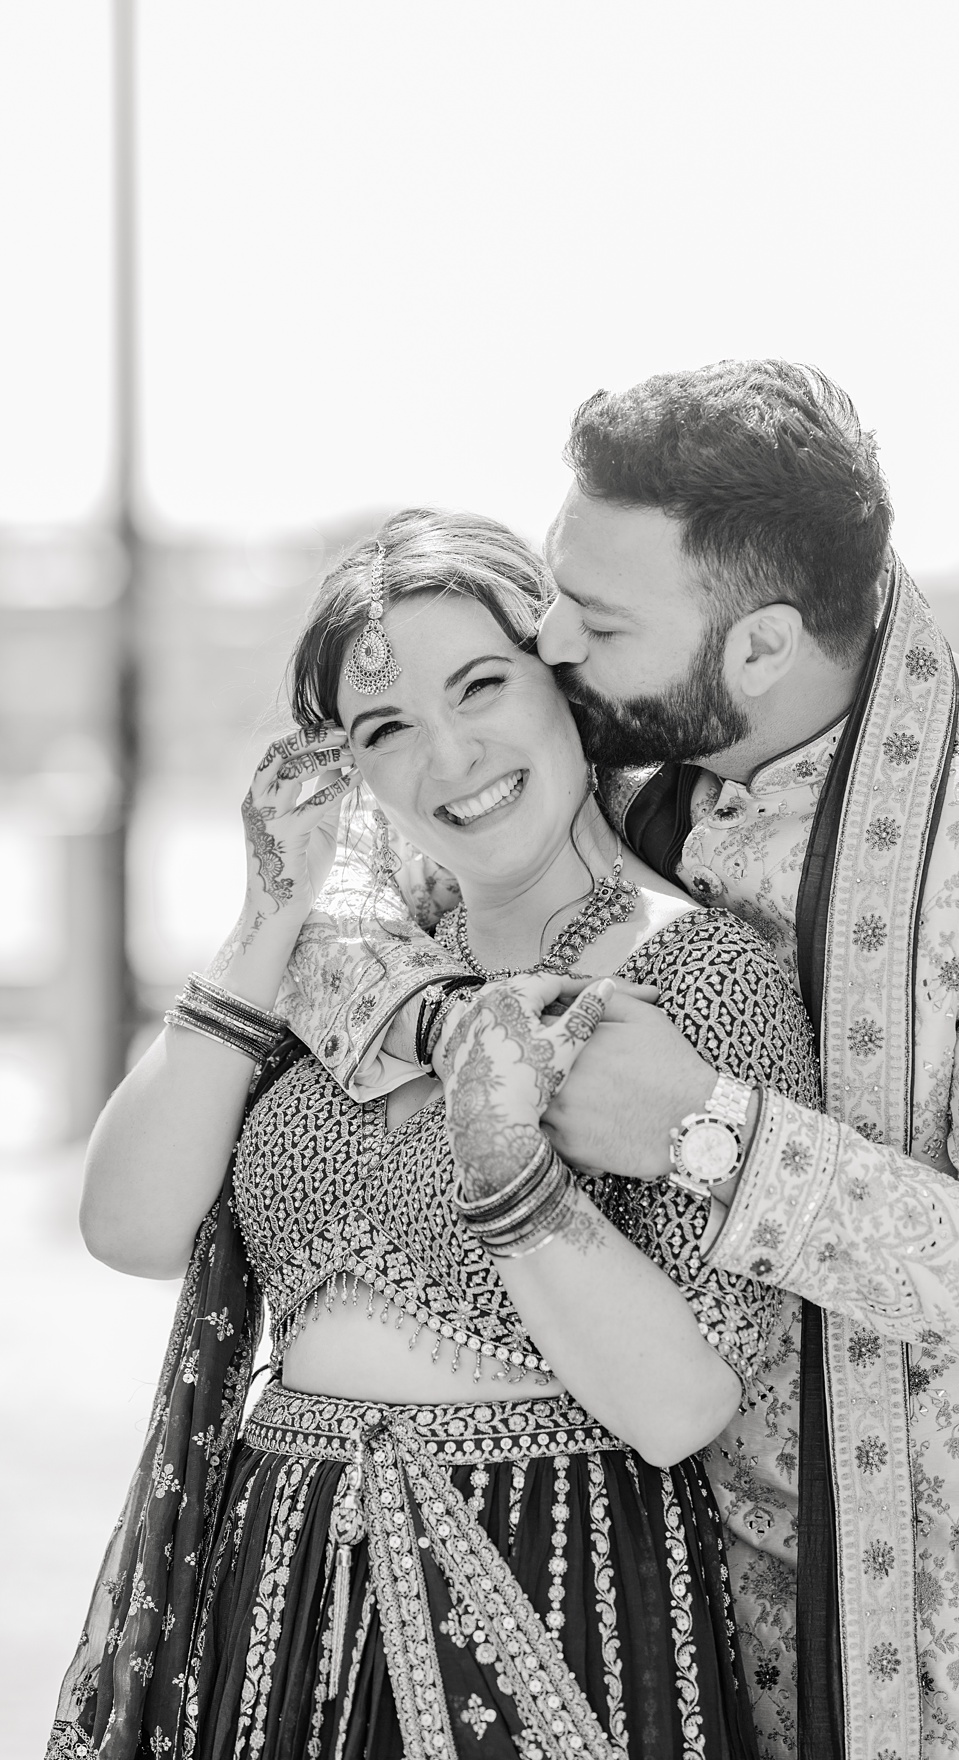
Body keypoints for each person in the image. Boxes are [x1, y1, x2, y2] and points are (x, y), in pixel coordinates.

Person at [276, 362, 959, 1760]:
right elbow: (361, 874)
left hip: (926, 1642)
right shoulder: (615, 735)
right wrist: (452, 1024)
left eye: (595, 618)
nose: (549, 638)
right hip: (629, 1597)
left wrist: (707, 1132)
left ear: (754, 649)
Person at [53, 511, 796, 1759]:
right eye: (385, 729)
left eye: (482, 686)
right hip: (282, 1593)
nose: (448, 756)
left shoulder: (695, 978)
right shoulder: (349, 975)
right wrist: (270, 919)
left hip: (544, 1585)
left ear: (567, 687)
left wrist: (509, 1165)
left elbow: (678, 1406)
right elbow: (128, 1228)